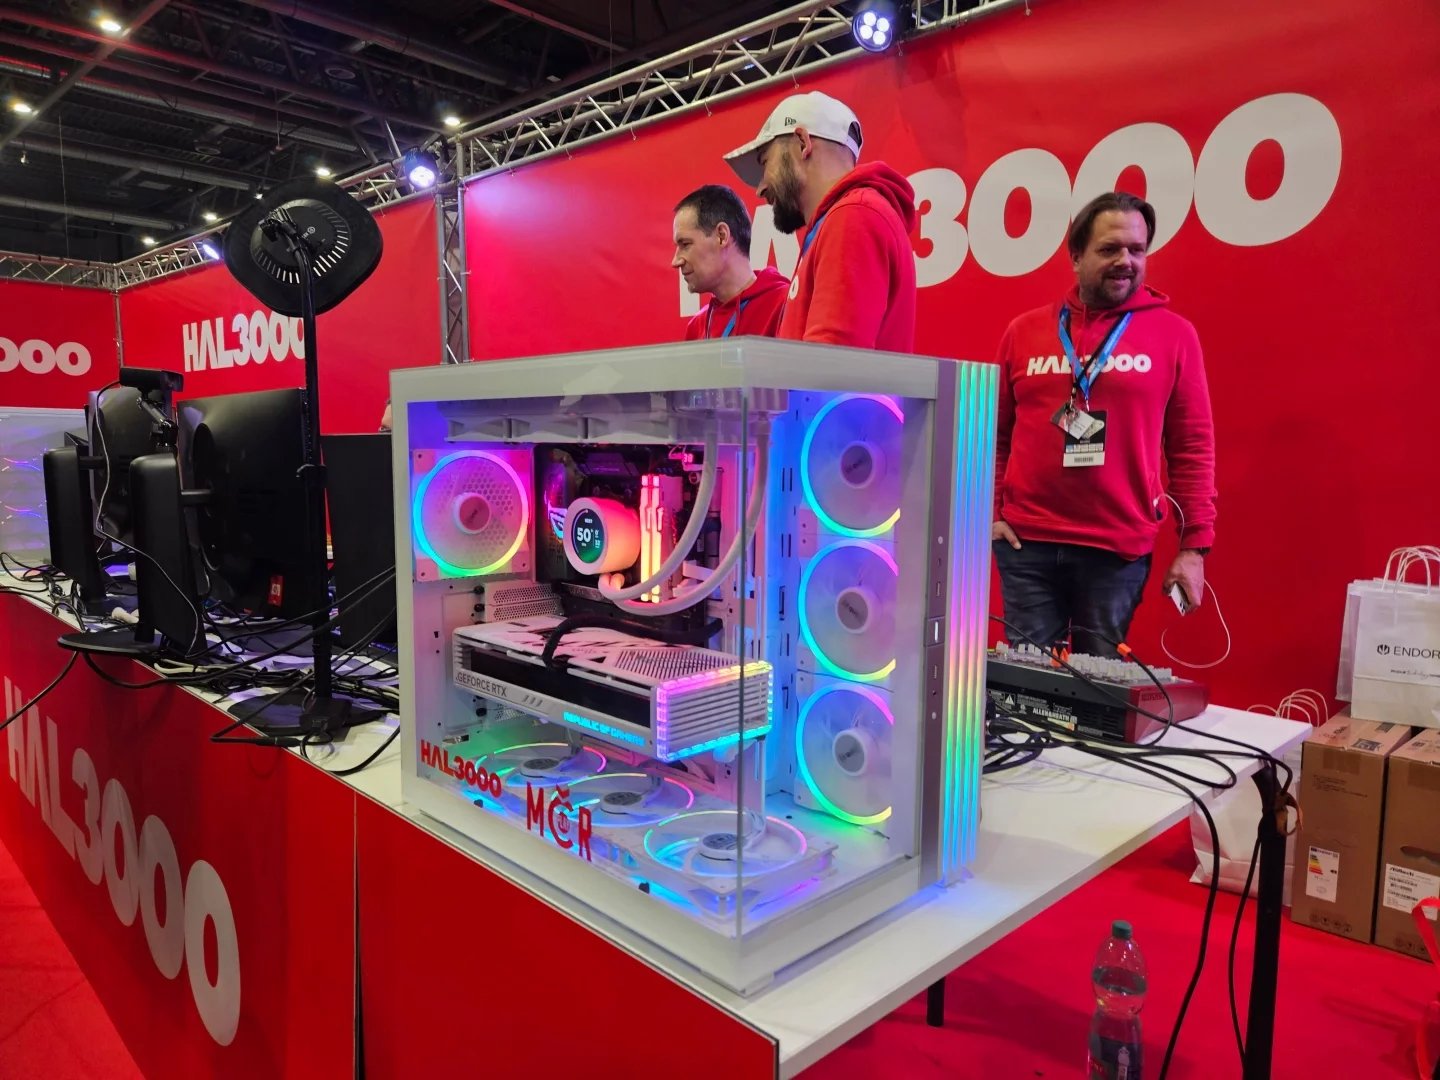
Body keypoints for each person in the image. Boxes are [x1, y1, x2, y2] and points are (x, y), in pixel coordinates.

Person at [991, 191, 1216, 657]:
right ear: (1076, 256)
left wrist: (1194, 546)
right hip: (1027, 545)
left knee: (1098, 687)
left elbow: (1192, 447)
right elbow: (994, 437)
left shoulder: (1175, 336)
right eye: (1110, 249)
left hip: (1117, 550)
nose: (1125, 261)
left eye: (1137, 250)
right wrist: (991, 515)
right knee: (1029, 686)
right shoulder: (1023, 332)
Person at [724, 91, 917, 351]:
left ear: (802, 143)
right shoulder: (842, 218)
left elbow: (829, 366)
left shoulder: (852, 216)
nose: (760, 189)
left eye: (765, 162)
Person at [673, 185, 789, 339]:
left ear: (722, 236)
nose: (675, 261)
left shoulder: (785, 305)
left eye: (685, 244)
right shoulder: (697, 327)